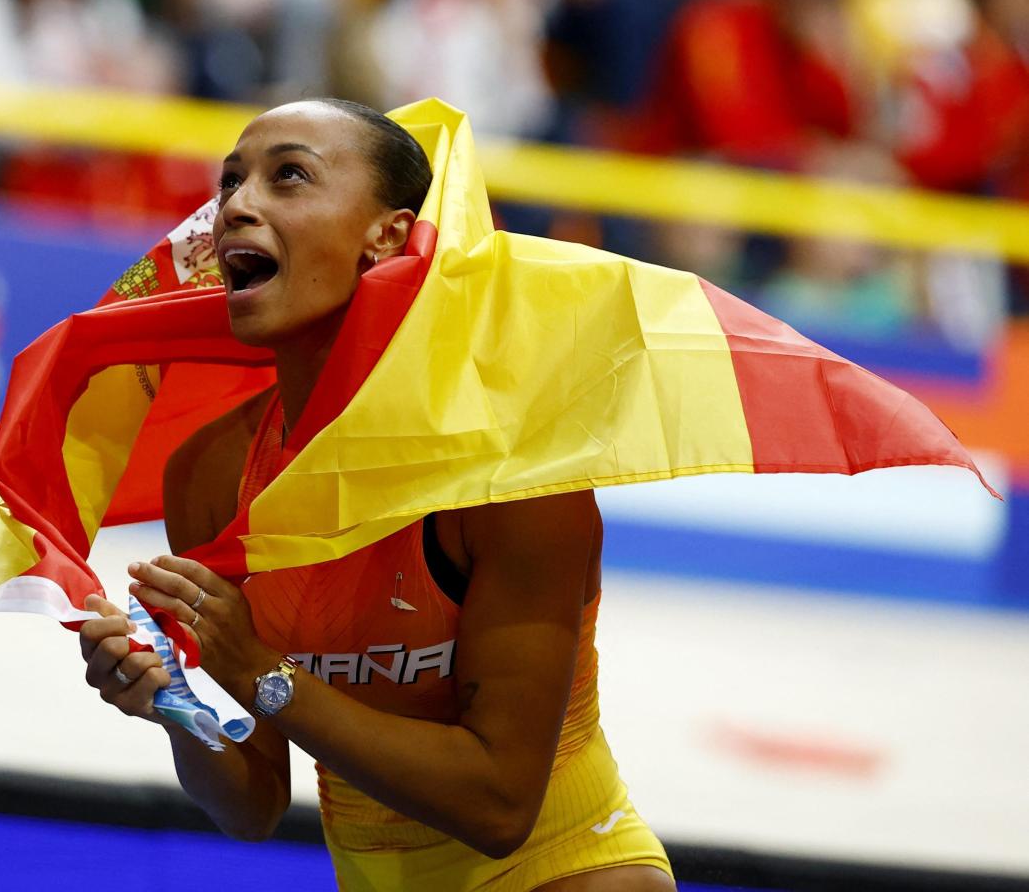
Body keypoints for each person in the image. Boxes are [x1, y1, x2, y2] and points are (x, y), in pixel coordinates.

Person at [77, 99, 676, 891]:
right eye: (231, 183)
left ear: (387, 237)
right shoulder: (210, 474)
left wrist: (259, 672)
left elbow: (499, 806)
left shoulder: (510, 474)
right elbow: (252, 807)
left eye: (288, 176)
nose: (236, 206)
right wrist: (174, 703)